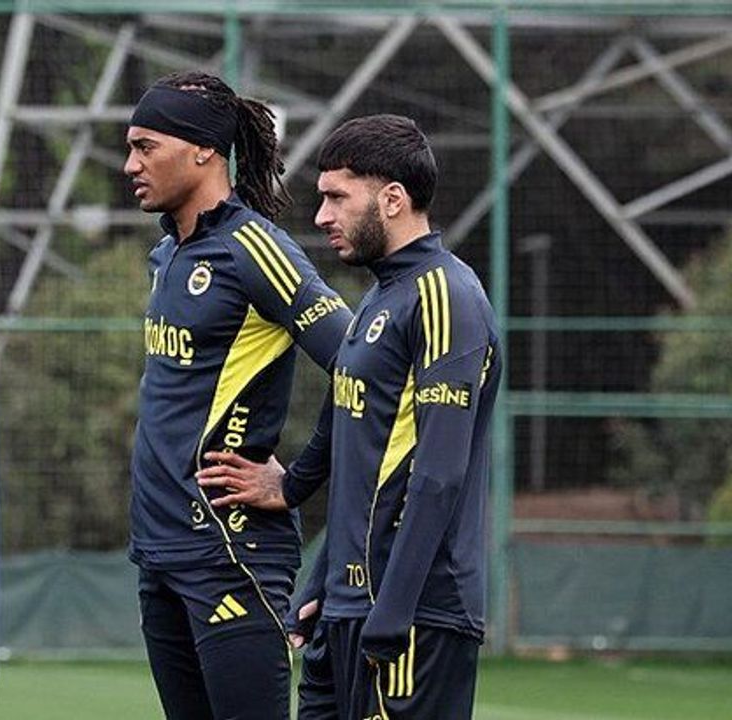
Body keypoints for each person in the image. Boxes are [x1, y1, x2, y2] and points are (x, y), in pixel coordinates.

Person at [200, 114, 502, 719]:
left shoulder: (447, 296)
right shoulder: (377, 299)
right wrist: (323, 580)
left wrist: (392, 612)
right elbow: (349, 441)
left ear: (392, 199)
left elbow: (438, 475)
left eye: (337, 197)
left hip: (415, 617)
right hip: (345, 612)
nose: (321, 215)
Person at [123, 71, 352, 719]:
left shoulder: (255, 248)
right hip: (160, 554)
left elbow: (364, 366)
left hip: (229, 552)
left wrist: (296, 482)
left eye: (145, 147)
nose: (130, 164)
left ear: (203, 150)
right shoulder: (167, 254)